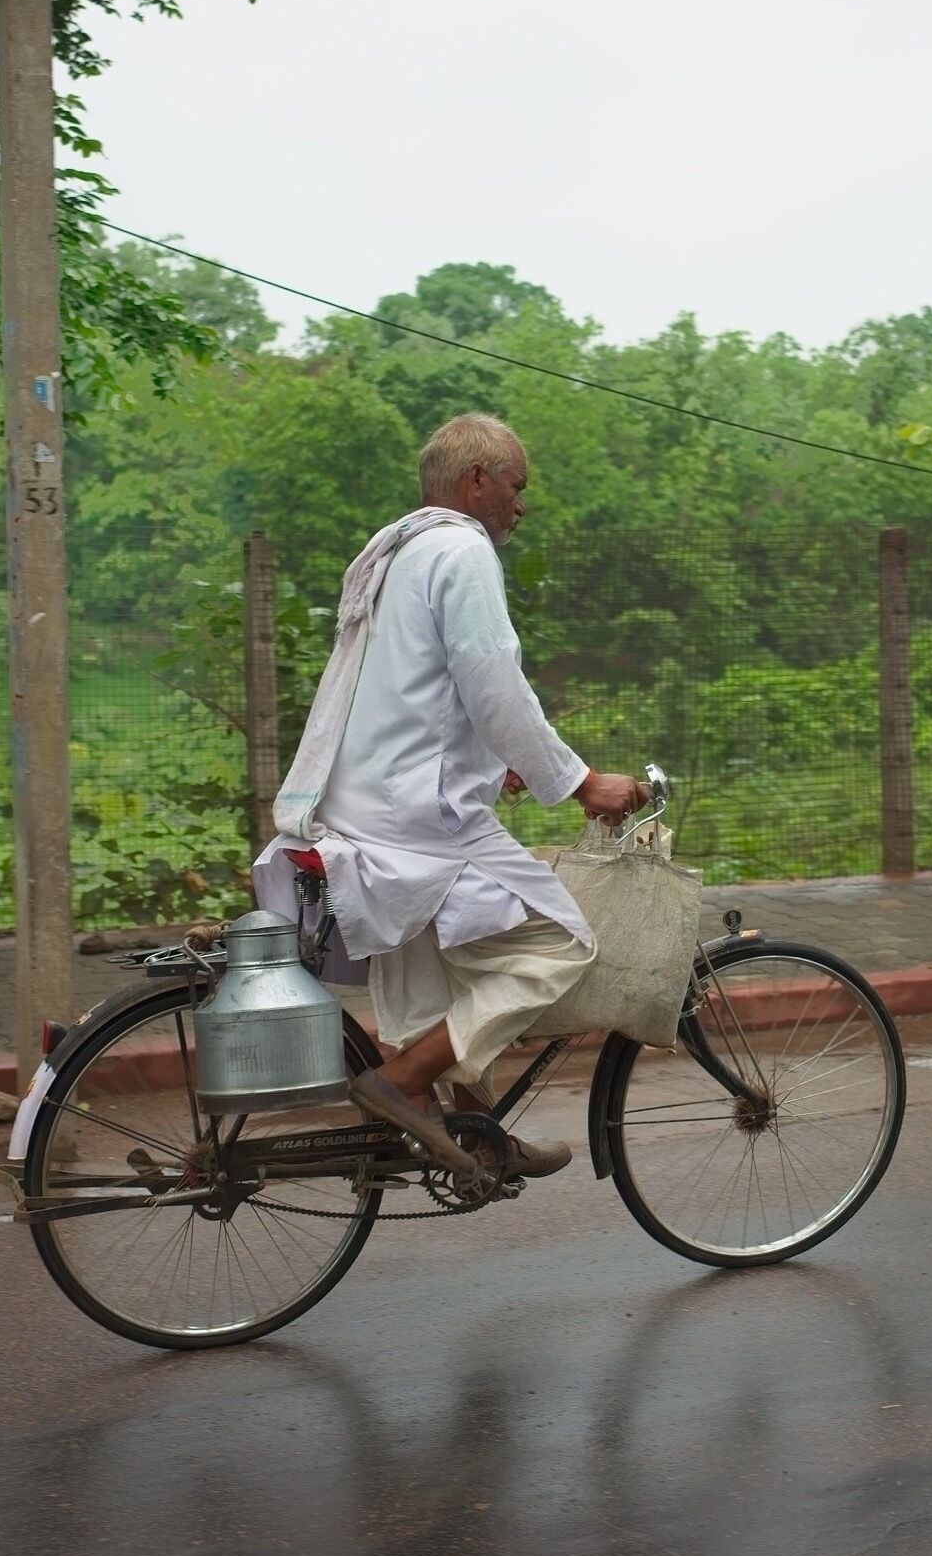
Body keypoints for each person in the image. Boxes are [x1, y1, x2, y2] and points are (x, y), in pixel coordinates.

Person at [251, 412, 644, 1180]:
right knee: (564, 945)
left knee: (453, 969)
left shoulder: (394, 549)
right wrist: (581, 782)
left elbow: (409, 694)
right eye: (516, 486)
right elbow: (493, 681)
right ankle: (400, 1083)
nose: (521, 505)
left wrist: (492, 762)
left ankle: (471, 1127)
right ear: (476, 481)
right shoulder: (462, 549)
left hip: (358, 813)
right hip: (421, 825)